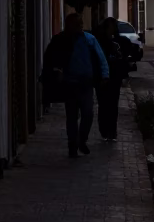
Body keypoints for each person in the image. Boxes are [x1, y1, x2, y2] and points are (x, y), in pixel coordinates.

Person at [41, 13, 109, 158]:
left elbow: (100, 57)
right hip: (69, 84)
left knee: (88, 113)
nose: (80, 26)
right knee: (72, 116)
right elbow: (50, 59)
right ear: (68, 25)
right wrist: (55, 72)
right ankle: (72, 145)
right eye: (76, 24)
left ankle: (82, 140)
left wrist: (104, 75)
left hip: (86, 83)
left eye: (80, 24)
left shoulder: (89, 40)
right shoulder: (60, 40)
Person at [95, 17, 127, 142]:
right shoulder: (100, 42)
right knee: (103, 105)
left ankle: (112, 132)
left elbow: (122, 59)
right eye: (111, 26)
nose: (113, 29)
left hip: (115, 79)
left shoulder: (119, 41)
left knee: (113, 106)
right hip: (103, 79)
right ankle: (104, 131)